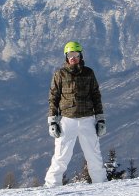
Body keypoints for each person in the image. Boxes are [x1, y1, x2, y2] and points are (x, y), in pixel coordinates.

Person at [44, 40, 107, 187]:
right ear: (66, 56)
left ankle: (101, 184)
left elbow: (96, 95)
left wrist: (100, 119)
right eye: (70, 54)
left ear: (80, 56)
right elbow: (53, 97)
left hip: (88, 119)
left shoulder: (89, 73)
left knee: (94, 155)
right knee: (61, 155)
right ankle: (51, 185)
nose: (73, 57)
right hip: (67, 120)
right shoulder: (60, 74)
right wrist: (53, 121)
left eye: (76, 54)